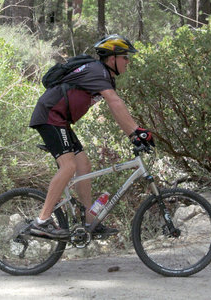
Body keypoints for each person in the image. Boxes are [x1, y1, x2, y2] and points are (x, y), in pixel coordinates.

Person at [29, 34, 155, 238]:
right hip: (50, 116)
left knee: (83, 166)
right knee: (69, 166)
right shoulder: (97, 70)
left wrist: (133, 135)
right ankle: (41, 221)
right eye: (125, 57)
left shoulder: (103, 76)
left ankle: (90, 222)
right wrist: (137, 131)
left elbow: (116, 110)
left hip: (59, 119)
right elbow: (115, 103)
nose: (128, 61)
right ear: (112, 58)